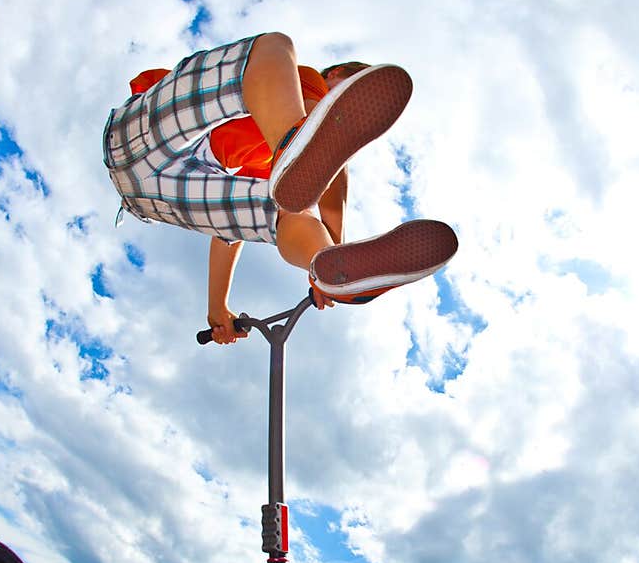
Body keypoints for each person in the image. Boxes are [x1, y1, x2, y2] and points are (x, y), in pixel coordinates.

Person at [103, 33, 458, 343]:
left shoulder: (277, 172)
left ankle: (327, 267)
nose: (351, 107)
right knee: (274, 48)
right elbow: (332, 159)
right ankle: (325, 256)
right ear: (335, 76)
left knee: (286, 212)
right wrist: (337, 240)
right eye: (353, 89)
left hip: (158, 195)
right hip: (140, 140)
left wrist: (218, 310)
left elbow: (228, 230)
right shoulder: (304, 80)